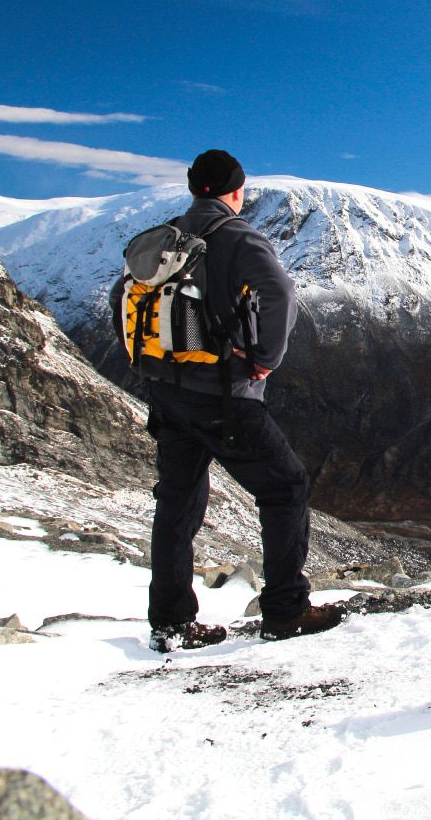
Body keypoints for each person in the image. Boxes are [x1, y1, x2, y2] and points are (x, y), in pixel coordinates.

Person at [110, 148, 346, 652]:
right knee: (286, 487)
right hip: (222, 396)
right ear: (236, 191)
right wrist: (265, 358)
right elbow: (280, 291)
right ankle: (285, 610)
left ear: (195, 188)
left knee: (177, 501)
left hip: (166, 392)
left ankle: (172, 622)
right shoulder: (235, 235)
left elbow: (120, 297)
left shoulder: (167, 235)